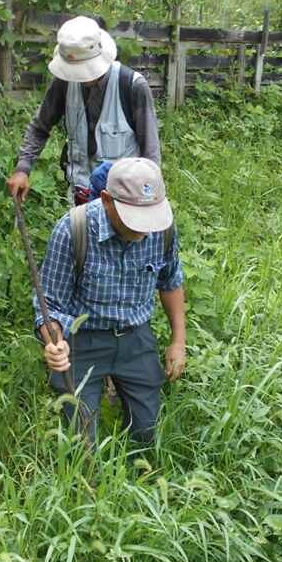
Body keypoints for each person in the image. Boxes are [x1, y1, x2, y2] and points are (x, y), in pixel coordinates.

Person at [34, 157, 186, 445]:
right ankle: (85, 486)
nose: (145, 230)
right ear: (106, 200)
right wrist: (54, 341)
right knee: (81, 442)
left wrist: (179, 341)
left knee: (147, 434)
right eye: (135, 219)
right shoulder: (73, 230)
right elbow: (48, 304)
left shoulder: (162, 229)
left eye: (150, 217)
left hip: (136, 340)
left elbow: (171, 281)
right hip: (82, 341)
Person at [6, 16, 161, 207]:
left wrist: (149, 199)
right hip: (79, 194)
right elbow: (40, 127)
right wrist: (23, 168)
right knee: (81, 236)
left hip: (124, 197)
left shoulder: (132, 86)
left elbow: (151, 153)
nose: (79, 76)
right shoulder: (64, 81)